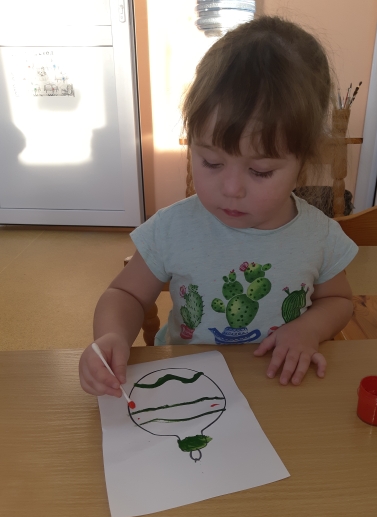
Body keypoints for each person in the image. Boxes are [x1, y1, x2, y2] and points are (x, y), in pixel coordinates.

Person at [79, 16, 358, 397]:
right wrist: (111, 336)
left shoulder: (319, 235)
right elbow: (125, 295)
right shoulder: (173, 228)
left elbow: (338, 301)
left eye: (260, 171)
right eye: (211, 162)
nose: (231, 189)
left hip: (276, 384)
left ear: (303, 164)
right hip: (186, 383)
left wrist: (309, 328)